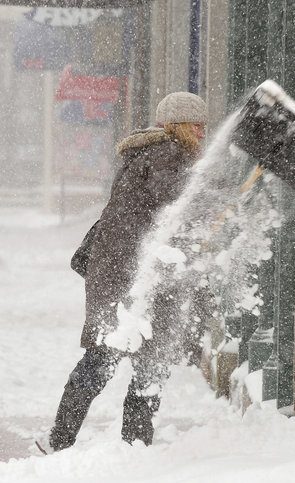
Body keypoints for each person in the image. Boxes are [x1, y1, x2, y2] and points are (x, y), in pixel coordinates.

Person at [37, 92, 210, 454]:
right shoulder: (168, 156)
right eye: (197, 126)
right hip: (128, 277)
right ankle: (125, 444)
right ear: (179, 127)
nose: (204, 134)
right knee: (126, 359)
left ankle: (71, 439)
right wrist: (218, 194)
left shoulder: (150, 155)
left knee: (123, 357)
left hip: (122, 272)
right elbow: (177, 199)